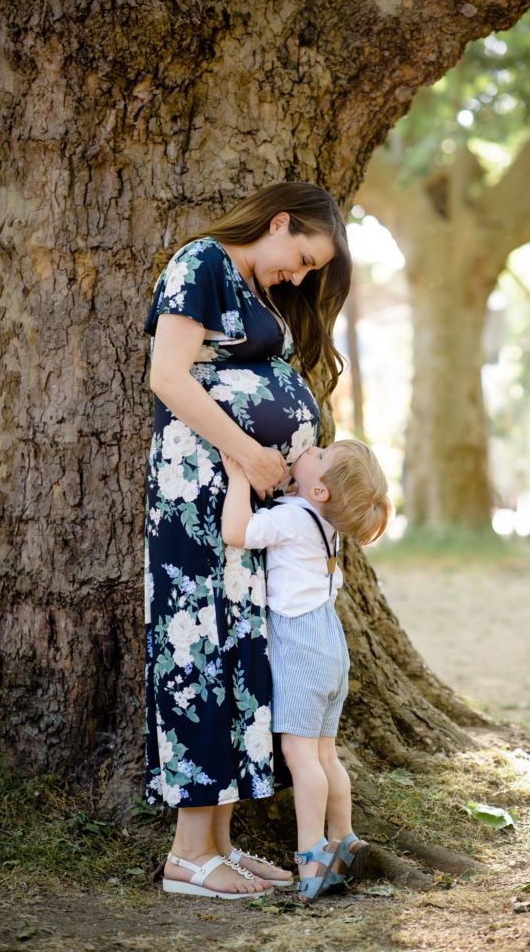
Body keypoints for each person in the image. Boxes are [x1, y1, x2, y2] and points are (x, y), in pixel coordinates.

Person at [143, 182, 352, 899]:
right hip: (197, 494)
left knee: (239, 660)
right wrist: (249, 452)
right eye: (299, 257)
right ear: (279, 220)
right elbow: (167, 375)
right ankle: (187, 853)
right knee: (197, 655)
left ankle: (222, 845)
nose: (298, 276)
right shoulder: (200, 263)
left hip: (243, 497)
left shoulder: (254, 290)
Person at [221, 438, 392, 902]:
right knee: (326, 756)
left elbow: (236, 531)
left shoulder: (294, 518)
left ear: (320, 491)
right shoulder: (324, 524)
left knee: (302, 761)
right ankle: (344, 836)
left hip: (300, 648)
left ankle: (311, 852)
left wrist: (238, 477)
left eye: (320, 455)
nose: (311, 448)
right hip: (330, 646)